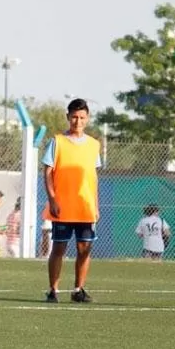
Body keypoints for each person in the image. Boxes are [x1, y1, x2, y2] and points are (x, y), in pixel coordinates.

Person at [43, 98, 100, 303]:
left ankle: (78, 289)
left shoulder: (94, 145)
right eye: (74, 117)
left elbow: (92, 177)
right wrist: (52, 199)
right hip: (63, 206)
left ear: (87, 118)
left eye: (82, 117)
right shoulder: (57, 141)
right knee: (59, 248)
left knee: (85, 249)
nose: (78, 121)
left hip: (85, 207)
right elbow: (48, 172)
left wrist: (96, 204)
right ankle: (53, 290)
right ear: (68, 117)